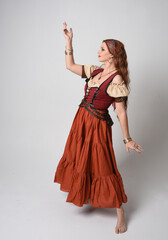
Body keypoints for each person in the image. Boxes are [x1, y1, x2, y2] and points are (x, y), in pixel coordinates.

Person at [54, 21, 143, 234]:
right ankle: (87, 193)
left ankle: (120, 212)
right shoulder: (95, 71)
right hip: (81, 121)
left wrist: (127, 138)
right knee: (81, 159)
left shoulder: (117, 78)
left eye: (102, 49)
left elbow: (121, 111)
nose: (98, 52)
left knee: (104, 166)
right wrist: (68, 42)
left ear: (112, 55)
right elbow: (70, 65)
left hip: (97, 126)